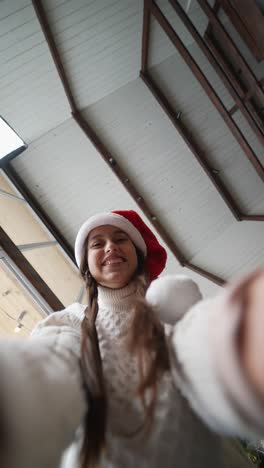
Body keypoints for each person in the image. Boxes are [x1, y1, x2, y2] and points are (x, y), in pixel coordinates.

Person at [0, 209, 264, 468]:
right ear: (86, 267)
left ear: (137, 253)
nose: (110, 247)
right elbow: (49, 366)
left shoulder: (170, 312)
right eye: (97, 243)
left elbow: (213, 356)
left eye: (120, 239)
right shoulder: (70, 322)